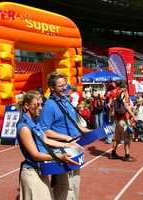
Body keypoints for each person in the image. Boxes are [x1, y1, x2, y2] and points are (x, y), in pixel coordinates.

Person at [16, 91, 82, 200]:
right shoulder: (24, 127)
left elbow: (46, 140)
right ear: (26, 106)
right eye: (37, 105)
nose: (40, 108)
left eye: (42, 104)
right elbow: (35, 155)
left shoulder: (35, 121)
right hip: (32, 172)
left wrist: (67, 145)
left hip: (41, 171)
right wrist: (59, 157)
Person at [39, 72, 91, 200]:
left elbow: (74, 124)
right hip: (62, 149)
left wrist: (89, 131)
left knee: (75, 182)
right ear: (52, 88)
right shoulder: (49, 106)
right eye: (60, 86)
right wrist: (66, 138)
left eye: (65, 84)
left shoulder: (66, 101)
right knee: (64, 185)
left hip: (74, 147)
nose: (64, 88)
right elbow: (44, 130)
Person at [109, 79, 138, 162]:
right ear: (125, 86)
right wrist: (133, 116)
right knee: (127, 137)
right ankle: (127, 156)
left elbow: (111, 105)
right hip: (123, 118)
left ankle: (113, 153)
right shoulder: (124, 93)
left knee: (117, 137)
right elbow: (126, 105)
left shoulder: (115, 93)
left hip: (116, 118)